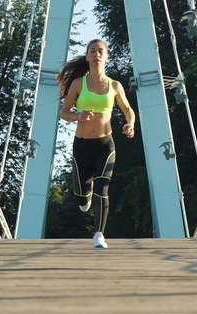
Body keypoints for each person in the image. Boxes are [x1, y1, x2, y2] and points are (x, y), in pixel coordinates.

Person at [58, 39, 136, 249]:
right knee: (82, 201)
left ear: (106, 57)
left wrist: (130, 124)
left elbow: (128, 109)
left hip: (105, 144)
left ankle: (99, 234)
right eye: (92, 51)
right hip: (82, 146)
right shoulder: (78, 84)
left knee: (103, 187)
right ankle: (86, 196)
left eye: (100, 51)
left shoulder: (114, 86)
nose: (96, 54)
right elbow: (64, 112)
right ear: (87, 56)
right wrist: (78, 116)